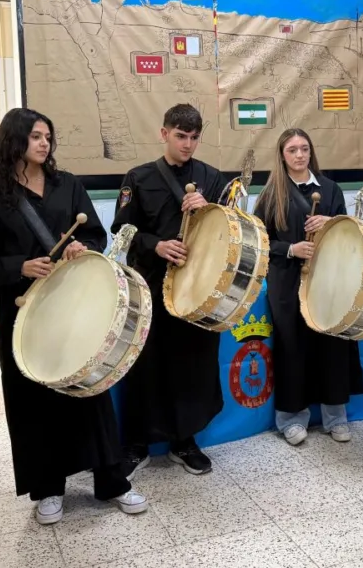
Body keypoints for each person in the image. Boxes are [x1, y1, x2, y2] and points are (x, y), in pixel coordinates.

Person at [0, 108, 147, 526]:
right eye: (35, 136)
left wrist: (83, 247)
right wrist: (20, 266)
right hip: (24, 314)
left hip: (74, 303)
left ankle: (111, 481)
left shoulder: (68, 185)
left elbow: (95, 234)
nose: (44, 143)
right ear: (14, 141)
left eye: (48, 136)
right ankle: (47, 487)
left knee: (89, 391)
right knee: (33, 399)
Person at [111, 103, 228, 478]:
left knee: (192, 364)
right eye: (180, 136)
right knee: (145, 364)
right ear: (164, 134)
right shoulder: (138, 177)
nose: (187, 144)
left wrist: (210, 210)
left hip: (197, 287)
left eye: (193, 137)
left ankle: (184, 441)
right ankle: (136, 444)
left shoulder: (213, 178)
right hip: (150, 285)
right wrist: (156, 245)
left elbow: (229, 231)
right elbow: (122, 231)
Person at [253, 129, 363, 445]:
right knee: (292, 347)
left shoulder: (330, 189)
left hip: (328, 278)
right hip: (287, 281)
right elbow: (260, 241)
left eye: (304, 149)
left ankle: (336, 418)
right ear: (282, 155)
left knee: (332, 345)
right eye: (292, 150)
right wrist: (292, 249)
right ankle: (291, 419)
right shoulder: (270, 194)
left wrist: (330, 223)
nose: (300, 155)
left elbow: (348, 233)